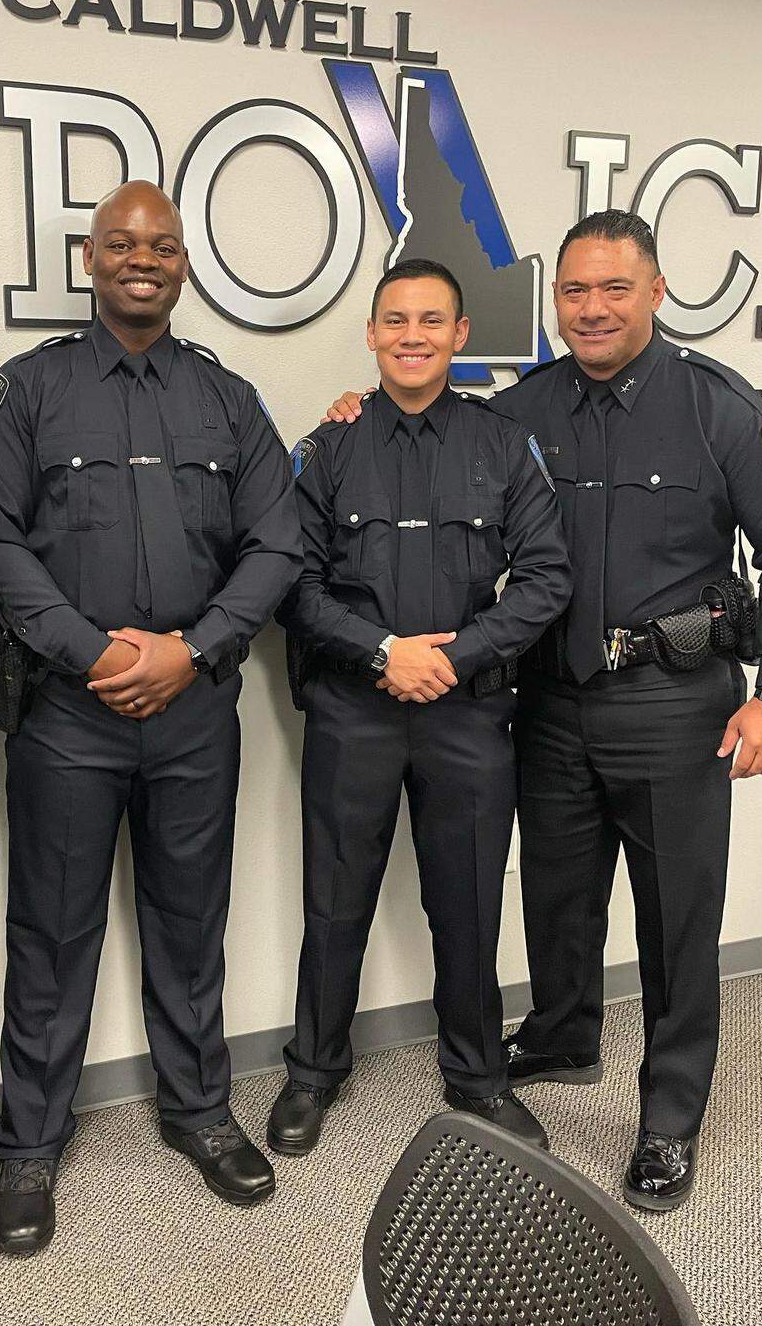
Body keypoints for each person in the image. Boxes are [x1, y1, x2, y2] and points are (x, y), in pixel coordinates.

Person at [320, 211, 762, 1209]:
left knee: (676, 924)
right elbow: (433, 426)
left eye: (614, 288)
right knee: (557, 900)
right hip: (551, 701)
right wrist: (362, 411)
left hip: (673, 705)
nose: (593, 308)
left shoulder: (718, 410)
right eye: (574, 291)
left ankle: (668, 1115)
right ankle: (567, 1036)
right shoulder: (521, 410)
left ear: (657, 292)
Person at [0, 180, 302, 1255]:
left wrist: (189, 651)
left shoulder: (229, 400)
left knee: (190, 923)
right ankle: (29, 1143)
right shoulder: (25, 392)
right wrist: (99, 651)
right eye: (121, 244)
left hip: (199, 708)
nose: (141, 259)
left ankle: (200, 1111)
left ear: (184, 263)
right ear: (90, 257)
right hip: (72, 712)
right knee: (52, 933)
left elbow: (278, 546)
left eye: (160, 245)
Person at [267, 259, 570, 1159]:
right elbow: (292, 581)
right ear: (370, 333)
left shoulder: (502, 445)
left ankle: (478, 1076)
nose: (412, 335)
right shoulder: (326, 447)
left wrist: (457, 656)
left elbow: (548, 573)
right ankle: (314, 1071)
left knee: (469, 900)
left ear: (461, 335)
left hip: (468, 713)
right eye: (395, 320)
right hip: (354, 709)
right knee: (335, 897)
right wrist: (381, 652)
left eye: (431, 320)